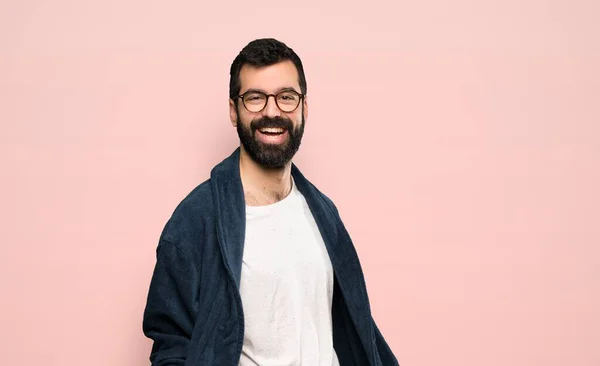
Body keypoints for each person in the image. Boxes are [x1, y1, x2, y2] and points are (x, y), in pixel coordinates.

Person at [142, 38, 399, 366]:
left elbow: (354, 330)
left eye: (286, 97)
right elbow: (172, 346)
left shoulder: (322, 212)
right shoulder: (196, 221)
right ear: (234, 111)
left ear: (304, 108)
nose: (272, 111)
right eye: (255, 98)